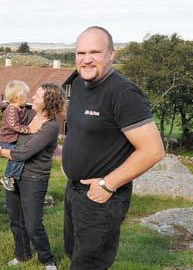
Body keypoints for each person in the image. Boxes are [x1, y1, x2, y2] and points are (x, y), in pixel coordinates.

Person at [62, 26, 165, 269]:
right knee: (74, 254)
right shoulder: (77, 84)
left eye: (95, 52)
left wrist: (107, 184)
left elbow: (153, 150)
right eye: (80, 53)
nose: (86, 59)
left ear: (111, 54)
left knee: (89, 264)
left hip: (102, 197)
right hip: (74, 191)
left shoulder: (124, 93)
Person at [0, 83, 66, 270]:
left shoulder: (50, 127)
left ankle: (48, 261)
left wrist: (2, 152)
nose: (32, 97)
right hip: (14, 174)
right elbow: (9, 126)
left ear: (48, 102)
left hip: (34, 179)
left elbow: (24, 153)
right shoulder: (28, 115)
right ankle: (23, 255)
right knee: (15, 220)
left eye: (37, 95)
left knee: (33, 224)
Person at [0, 80, 39, 191]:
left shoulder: (21, 109)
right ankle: (8, 177)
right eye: (26, 96)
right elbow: (14, 125)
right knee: (17, 158)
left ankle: (11, 177)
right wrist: (29, 130)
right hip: (7, 140)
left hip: (12, 139)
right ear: (18, 98)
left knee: (16, 159)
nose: (28, 99)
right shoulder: (12, 109)